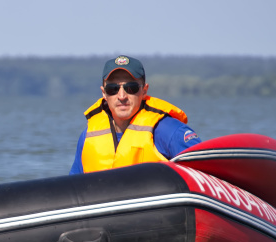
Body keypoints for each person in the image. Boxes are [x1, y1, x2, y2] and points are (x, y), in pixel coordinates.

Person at [70, 55, 201, 174]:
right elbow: (73, 188)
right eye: (113, 89)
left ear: (144, 90)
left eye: (131, 88)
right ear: (104, 93)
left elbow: (205, 172)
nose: (121, 96)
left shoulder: (169, 130)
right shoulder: (87, 137)